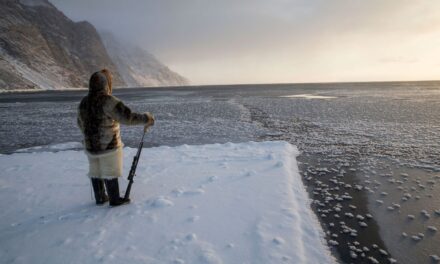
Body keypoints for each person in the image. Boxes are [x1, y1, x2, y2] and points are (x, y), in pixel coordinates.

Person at [77, 69, 154, 206]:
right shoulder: (108, 101)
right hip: (108, 145)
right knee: (110, 170)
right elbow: (127, 117)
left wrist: (90, 135)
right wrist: (146, 118)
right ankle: (115, 199)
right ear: (105, 84)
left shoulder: (84, 102)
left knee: (96, 170)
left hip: (90, 146)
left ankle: (100, 197)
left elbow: (79, 122)